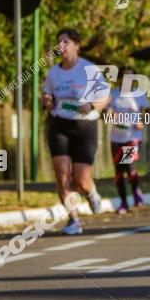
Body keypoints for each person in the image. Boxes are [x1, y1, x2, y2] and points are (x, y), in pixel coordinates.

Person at [42, 29, 109, 234]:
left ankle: (91, 193)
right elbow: (47, 94)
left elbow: (105, 97)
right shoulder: (53, 73)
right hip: (59, 124)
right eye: (59, 43)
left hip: (85, 127)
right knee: (62, 175)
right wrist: (47, 100)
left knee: (80, 179)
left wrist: (92, 106)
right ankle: (73, 220)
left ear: (77, 45)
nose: (61, 47)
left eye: (66, 42)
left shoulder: (89, 69)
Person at [106, 66, 150, 213]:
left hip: (132, 137)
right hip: (116, 137)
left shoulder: (139, 95)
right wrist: (110, 114)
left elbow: (149, 112)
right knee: (119, 170)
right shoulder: (113, 94)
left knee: (129, 165)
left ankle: (136, 191)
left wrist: (142, 122)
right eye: (125, 77)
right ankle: (124, 202)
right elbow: (105, 112)